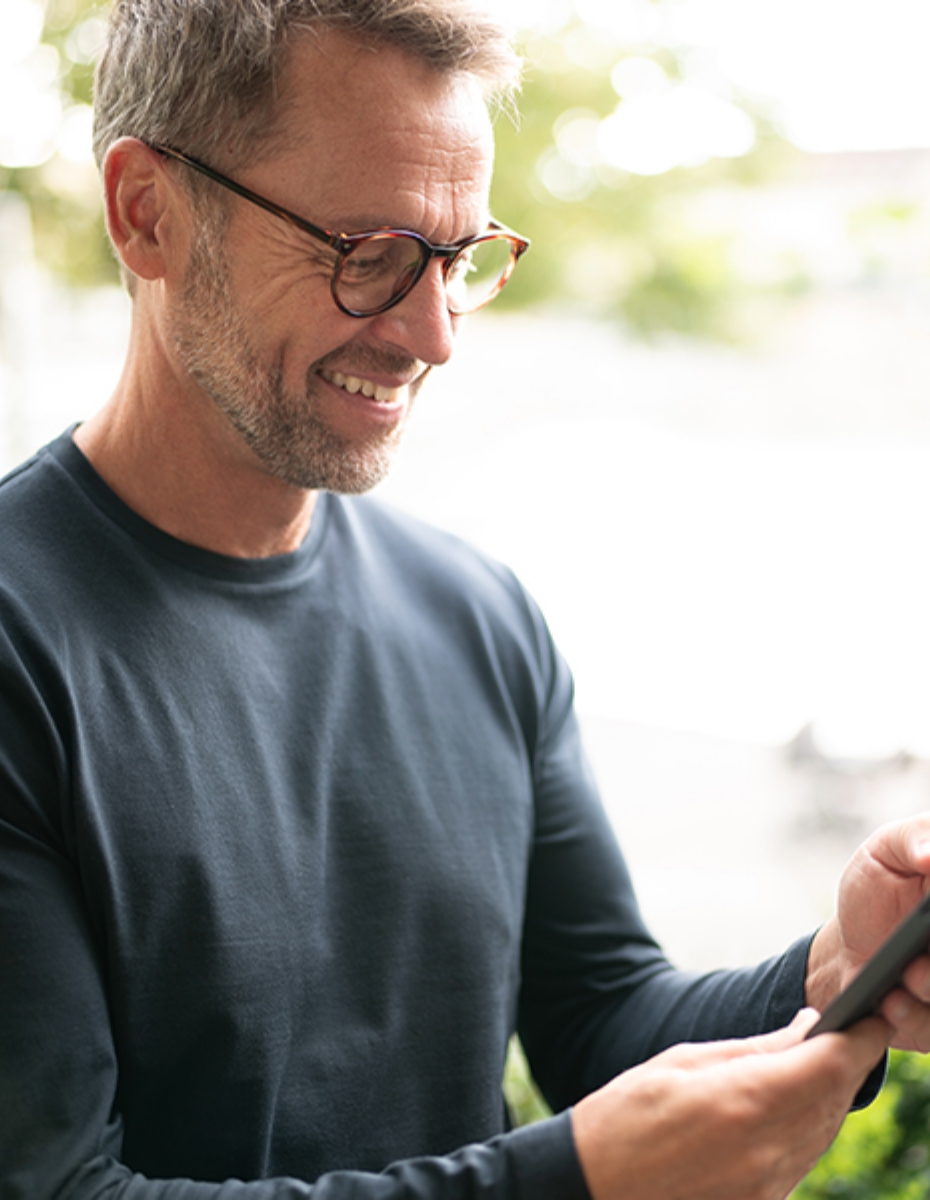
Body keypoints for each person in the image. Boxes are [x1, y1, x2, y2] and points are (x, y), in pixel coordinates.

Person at [0, 2, 928, 1198]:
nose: (433, 334)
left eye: (457, 256)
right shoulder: (21, 643)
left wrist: (834, 970)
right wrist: (571, 1183)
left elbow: (601, 1021)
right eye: (367, 254)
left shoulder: (476, 614)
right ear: (147, 214)